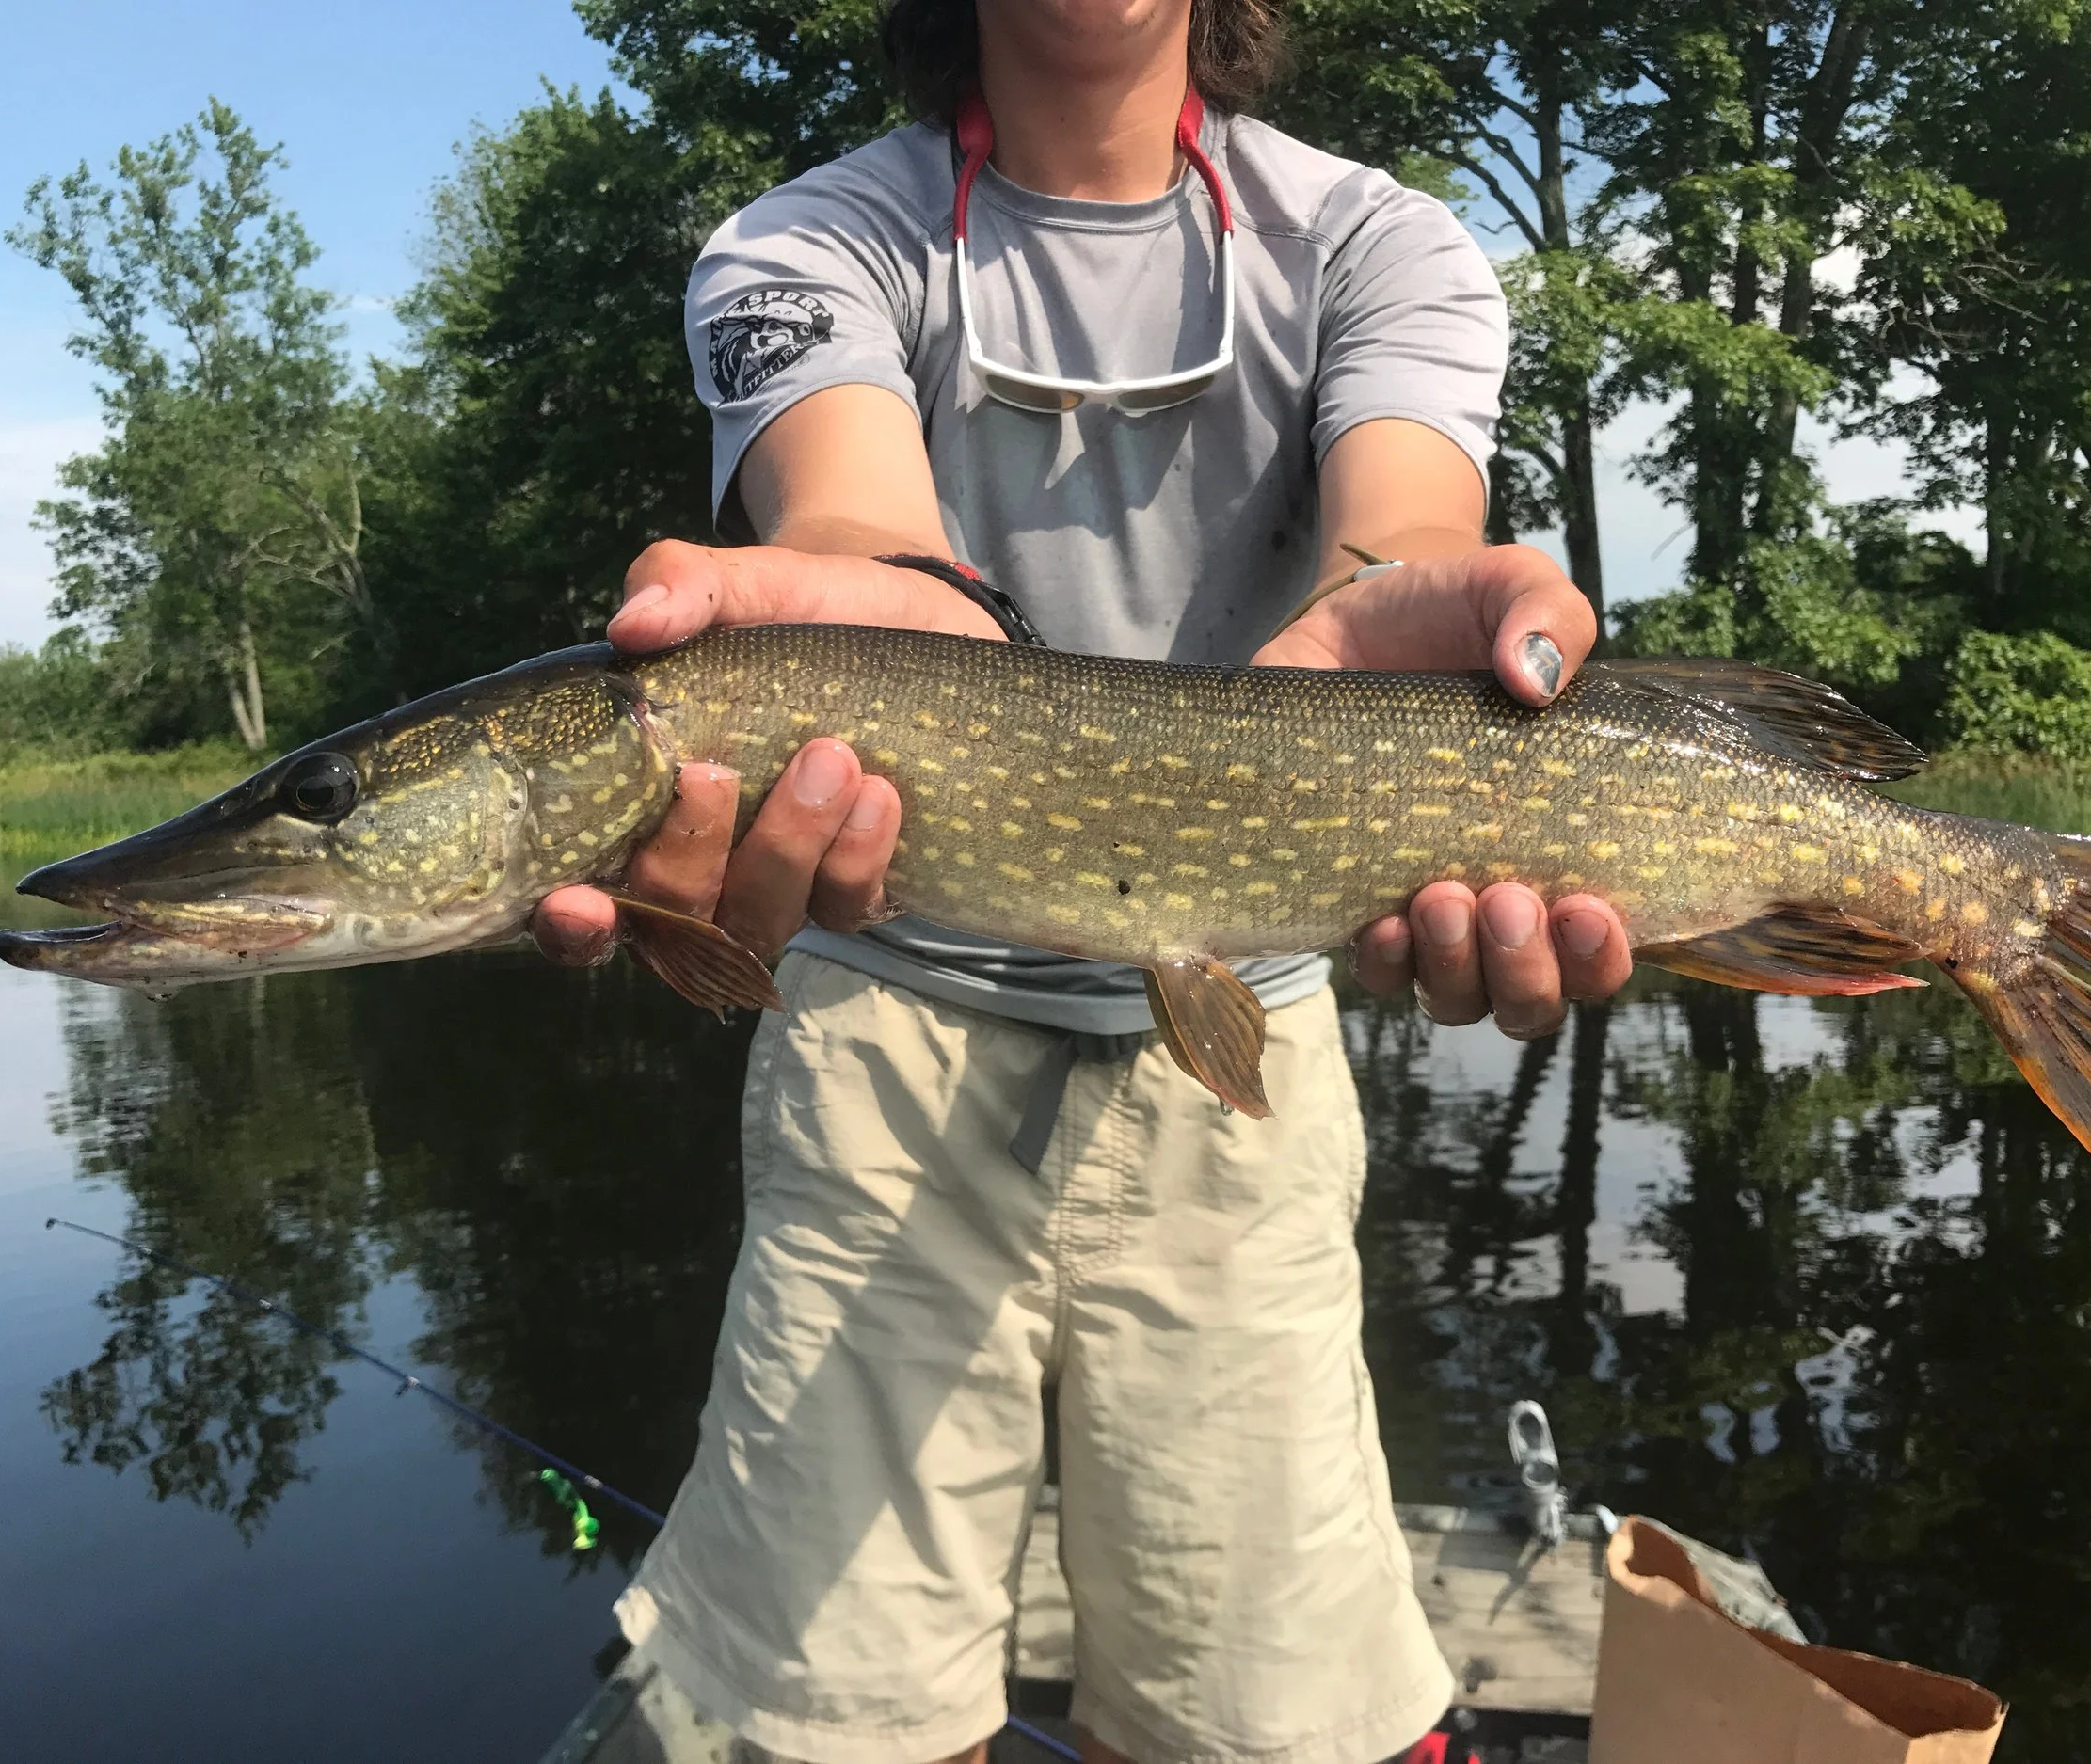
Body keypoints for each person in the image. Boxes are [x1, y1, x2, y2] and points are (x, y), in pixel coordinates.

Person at [534, 3, 1631, 1760]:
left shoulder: (1383, 244)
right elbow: (850, 539)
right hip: (881, 1052)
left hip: (1239, 1056)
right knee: (834, 1726)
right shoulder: (807, 243)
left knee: (1254, 1724)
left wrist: (1432, 618)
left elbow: (1402, 550)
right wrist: (884, 605)